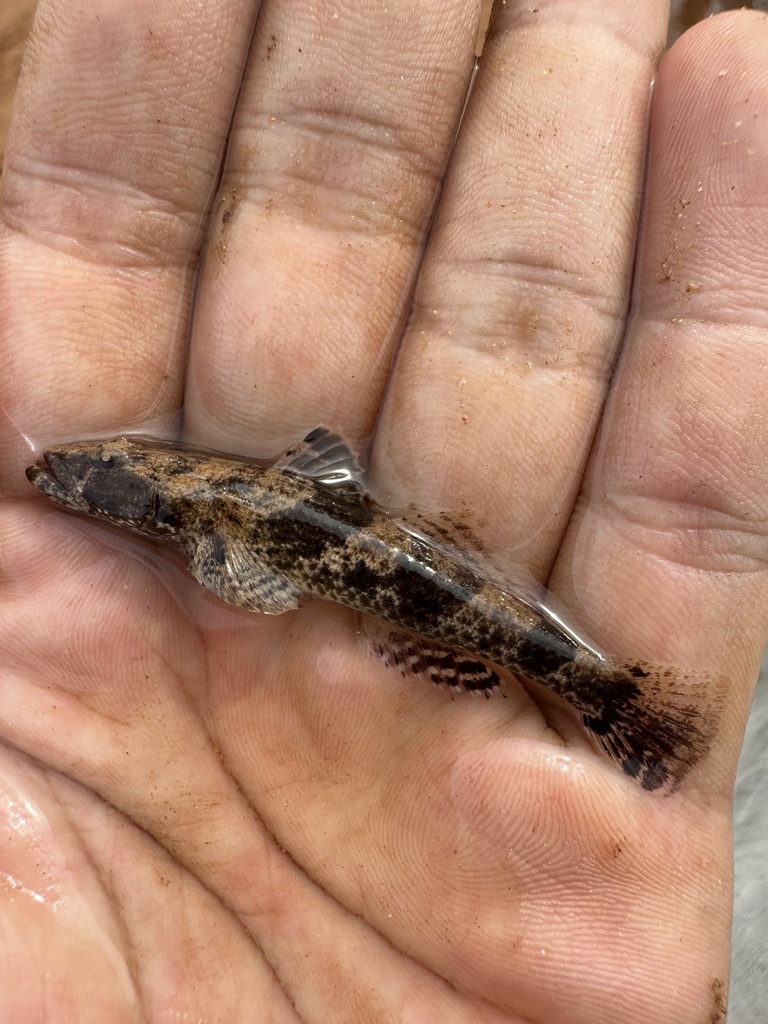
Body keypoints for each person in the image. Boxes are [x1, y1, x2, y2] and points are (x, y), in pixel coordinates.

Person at [0, 2, 765, 1021]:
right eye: (81, 479)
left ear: (137, 489)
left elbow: (258, 586)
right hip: (400, 567)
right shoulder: (205, 509)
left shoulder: (204, 526)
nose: (79, 483)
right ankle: (608, 694)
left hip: (422, 583)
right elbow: (278, 537)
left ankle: (613, 696)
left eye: (86, 481)